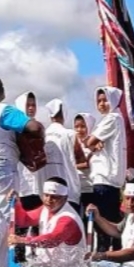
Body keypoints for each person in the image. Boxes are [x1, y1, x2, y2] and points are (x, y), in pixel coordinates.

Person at [84, 86, 127, 251]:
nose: (102, 104)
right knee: (110, 221)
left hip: (104, 178)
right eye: (99, 101)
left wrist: (93, 141)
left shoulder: (112, 118)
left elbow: (89, 142)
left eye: (105, 100)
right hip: (111, 180)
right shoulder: (116, 119)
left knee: (103, 224)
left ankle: (104, 256)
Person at [10, 178, 85, 265]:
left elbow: (52, 239)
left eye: (54, 197)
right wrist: (17, 204)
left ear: (65, 198)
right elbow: (24, 221)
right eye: (46, 195)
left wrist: (23, 240)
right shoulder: (45, 209)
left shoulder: (68, 219)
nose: (48, 200)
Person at [43, 99, 85, 216]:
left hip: (47, 191)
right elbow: (81, 159)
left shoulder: (43, 134)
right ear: (64, 113)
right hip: (68, 190)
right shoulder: (70, 134)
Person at [73, 112, 97, 215]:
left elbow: (87, 164)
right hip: (76, 189)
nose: (79, 130)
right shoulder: (73, 144)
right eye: (76, 127)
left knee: (90, 219)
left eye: (83, 126)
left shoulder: (94, 144)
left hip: (89, 189)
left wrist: (72, 165)